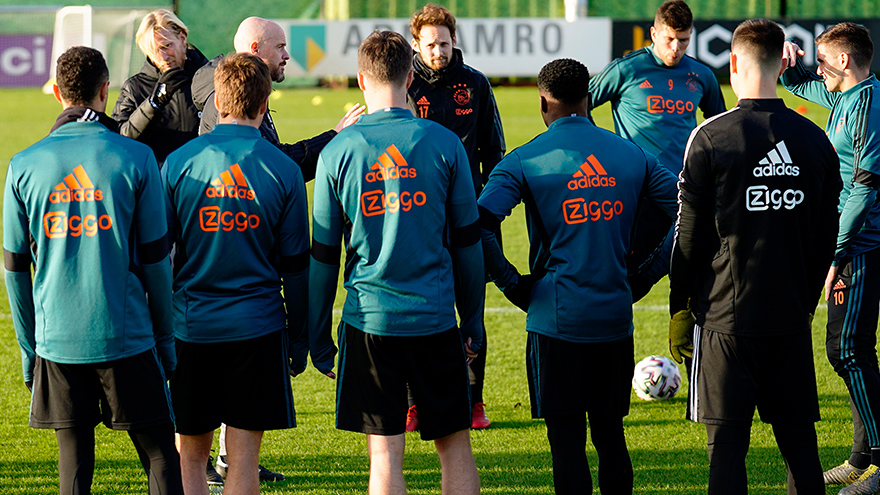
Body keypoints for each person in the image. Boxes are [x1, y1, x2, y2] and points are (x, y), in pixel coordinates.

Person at [478, 57, 679, 494]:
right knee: (611, 437)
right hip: (613, 318)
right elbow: (689, 210)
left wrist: (512, 284)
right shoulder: (632, 155)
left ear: (543, 103)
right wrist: (647, 274)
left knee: (565, 444)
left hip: (555, 321)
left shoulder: (525, 159)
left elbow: (478, 225)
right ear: (589, 99)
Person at [669, 18, 841, 495]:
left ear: (734, 63)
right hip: (789, 315)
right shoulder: (816, 139)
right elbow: (826, 235)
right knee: (800, 444)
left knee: (726, 448)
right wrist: (804, 300)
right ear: (782, 64)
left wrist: (679, 304)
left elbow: (689, 234)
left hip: (725, 318)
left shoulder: (709, 137)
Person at [309, 30, 484, 494]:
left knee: (384, 456)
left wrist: (316, 331)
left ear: (361, 81)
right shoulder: (444, 144)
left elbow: (324, 256)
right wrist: (474, 318)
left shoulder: (336, 152)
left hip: (368, 323)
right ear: (410, 77)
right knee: (455, 445)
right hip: (434, 318)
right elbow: (468, 243)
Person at [4, 46, 182, 495]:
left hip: (58, 342)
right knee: (161, 454)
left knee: (74, 464)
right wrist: (164, 340)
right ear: (107, 91)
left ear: (57, 93)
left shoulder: (23, 165)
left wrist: (31, 349)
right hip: (128, 336)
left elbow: (14, 271)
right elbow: (158, 263)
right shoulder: (136, 158)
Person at [162, 52, 309, 495]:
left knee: (189, 456)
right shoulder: (283, 169)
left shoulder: (178, 163)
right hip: (259, 329)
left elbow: (159, 258)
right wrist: (300, 337)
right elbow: (297, 266)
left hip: (191, 329)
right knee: (243, 459)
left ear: (216, 103)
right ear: (265, 105)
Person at [782, 21, 880, 494]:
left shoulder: (871, 105)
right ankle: (863, 457)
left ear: (844, 60)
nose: (818, 69)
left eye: (823, 60)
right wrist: (791, 62)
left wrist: (835, 254)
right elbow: (797, 83)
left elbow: (864, 189)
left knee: (848, 350)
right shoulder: (842, 94)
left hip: (863, 245)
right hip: (848, 243)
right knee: (852, 350)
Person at [405, 2, 506, 431]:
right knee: (419, 311)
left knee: (471, 313)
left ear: (454, 40)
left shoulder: (475, 85)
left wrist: (488, 214)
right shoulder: (404, 86)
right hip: (421, 219)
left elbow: (495, 153)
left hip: (469, 219)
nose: (438, 52)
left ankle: (473, 402)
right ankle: (413, 403)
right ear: (416, 44)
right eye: (429, 45)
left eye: (444, 44)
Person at [589, 0, 725, 300]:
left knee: (694, 277)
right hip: (637, 193)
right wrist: (597, 146)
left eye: (684, 40)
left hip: (685, 189)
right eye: (669, 39)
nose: (676, 48)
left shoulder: (701, 76)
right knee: (625, 278)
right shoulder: (626, 69)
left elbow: (719, 125)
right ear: (653, 33)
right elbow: (579, 104)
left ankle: (691, 343)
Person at [192, 16, 364, 182]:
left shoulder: (243, 87)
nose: (286, 55)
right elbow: (276, 164)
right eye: (280, 47)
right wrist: (333, 137)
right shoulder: (236, 94)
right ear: (255, 49)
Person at [111, 9, 208, 165]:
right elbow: (118, 140)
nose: (163, 57)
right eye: (154, 51)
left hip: (205, 181)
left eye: (166, 46)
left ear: (182, 38)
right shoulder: (135, 88)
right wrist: (153, 104)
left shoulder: (211, 79)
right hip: (157, 183)